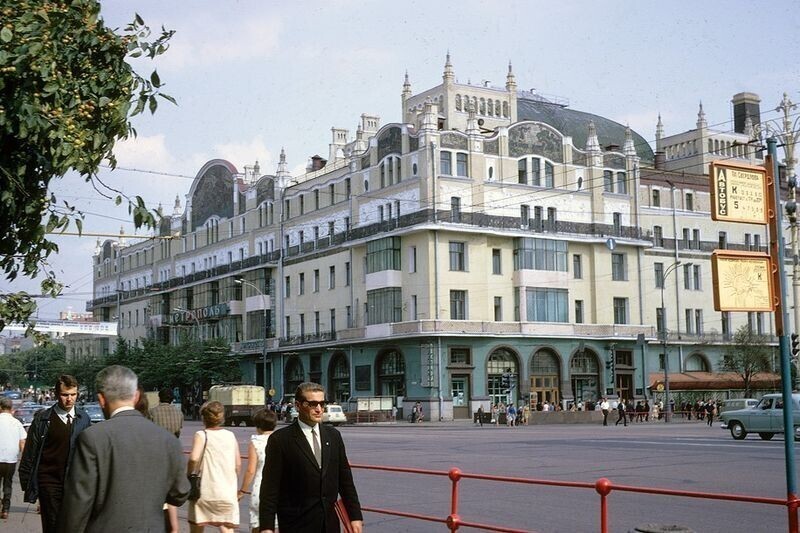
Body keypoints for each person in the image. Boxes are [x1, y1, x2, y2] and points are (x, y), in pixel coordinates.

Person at [59, 365, 190, 532]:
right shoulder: (168, 439)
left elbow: (78, 503)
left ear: (101, 399)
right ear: (135, 396)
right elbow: (180, 493)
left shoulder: (92, 437)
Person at [259, 382, 362, 533]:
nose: (319, 409)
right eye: (312, 404)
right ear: (298, 405)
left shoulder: (333, 436)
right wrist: (266, 527)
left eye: (322, 403)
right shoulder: (280, 440)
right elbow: (270, 488)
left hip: (329, 525)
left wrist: (355, 516)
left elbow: (346, 481)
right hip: (296, 525)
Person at [18, 374, 90, 533]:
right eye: (65, 395)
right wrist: (28, 483)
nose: (70, 399)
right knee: (53, 526)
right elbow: (30, 452)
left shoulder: (83, 418)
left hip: (75, 484)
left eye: (73, 394)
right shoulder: (43, 419)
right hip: (49, 483)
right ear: (57, 394)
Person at [188, 401, 240, 532]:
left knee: (197, 527)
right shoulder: (230, 435)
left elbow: (194, 458)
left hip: (205, 491)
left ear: (204, 418)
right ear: (222, 418)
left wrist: (189, 474)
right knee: (226, 527)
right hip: (227, 492)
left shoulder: (201, 435)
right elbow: (238, 464)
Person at [150, 387, 185, 533]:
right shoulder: (179, 413)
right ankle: (173, 523)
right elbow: (178, 431)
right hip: (174, 451)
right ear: (172, 399)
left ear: (159, 398)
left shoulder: (152, 413)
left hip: (157, 452)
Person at [238, 408, 277, 533]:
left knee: (257, 526)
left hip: (260, 490)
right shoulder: (281, 439)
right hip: (279, 490)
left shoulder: (256, 441)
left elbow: (250, 470)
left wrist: (242, 491)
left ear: (258, 426)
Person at [0, 397, 26, 519]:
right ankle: (5, 509)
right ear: (11, 409)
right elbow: (22, 443)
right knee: (7, 484)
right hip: (11, 459)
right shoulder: (17, 423)